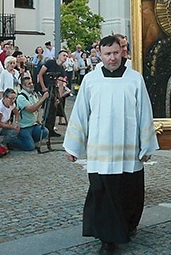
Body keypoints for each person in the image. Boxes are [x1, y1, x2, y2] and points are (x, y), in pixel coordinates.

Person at [63, 35, 158, 254]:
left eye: (116, 53)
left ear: (122, 52)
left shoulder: (135, 79)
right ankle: (107, 239)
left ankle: (127, 226)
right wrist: (73, 146)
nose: (112, 58)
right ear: (100, 55)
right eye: (107, 54)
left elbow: (144, 113)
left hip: (128, 152)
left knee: (129, 193)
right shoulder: (90, 80)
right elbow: (80, 114)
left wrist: (146, 146)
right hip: (101, 151)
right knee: (104, 194)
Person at [7, 77, 49, 151]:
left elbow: (37, 109)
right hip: (24, 127)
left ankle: (29, 140)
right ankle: (11, 141)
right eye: (29, 83)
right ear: (23, 86)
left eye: (31, 83)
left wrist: (38, 121)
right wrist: (43, 99)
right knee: (30, 147)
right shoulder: (21, 97)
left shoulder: (33, 95)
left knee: (45, 131)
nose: (31, 85)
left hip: (33, 125)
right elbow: (31, 109)